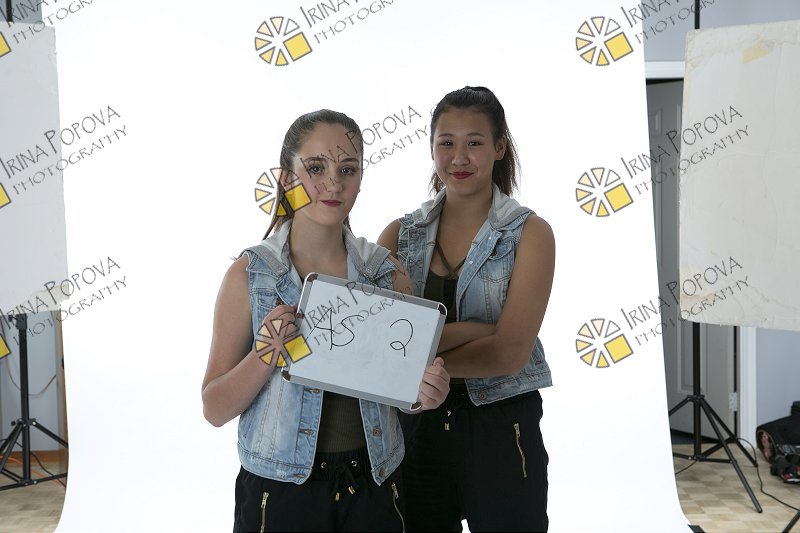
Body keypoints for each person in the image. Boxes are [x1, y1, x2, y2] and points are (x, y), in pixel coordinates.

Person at [201, 109, 450, 532]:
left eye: (347, 169)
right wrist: (265, 355)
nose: (333, 184)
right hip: (280, 491)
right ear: (287, 180)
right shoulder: (251, 277)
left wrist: (427, 394)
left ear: (360, 179)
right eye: (316, 168)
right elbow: (214, 409)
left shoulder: (386, 275)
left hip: (374, 486)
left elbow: (404, 394)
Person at [378, 86, 555, 532]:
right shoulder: (397, 235)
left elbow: (510, 353)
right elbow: (379, 346)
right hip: (416, 428)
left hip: (501, 426)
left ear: (499, 148)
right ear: (431, 148)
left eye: (474, 142)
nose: (459, 157)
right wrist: (477, 329)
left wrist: (421, 362)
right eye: (446, 142)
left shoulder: (531, 234)